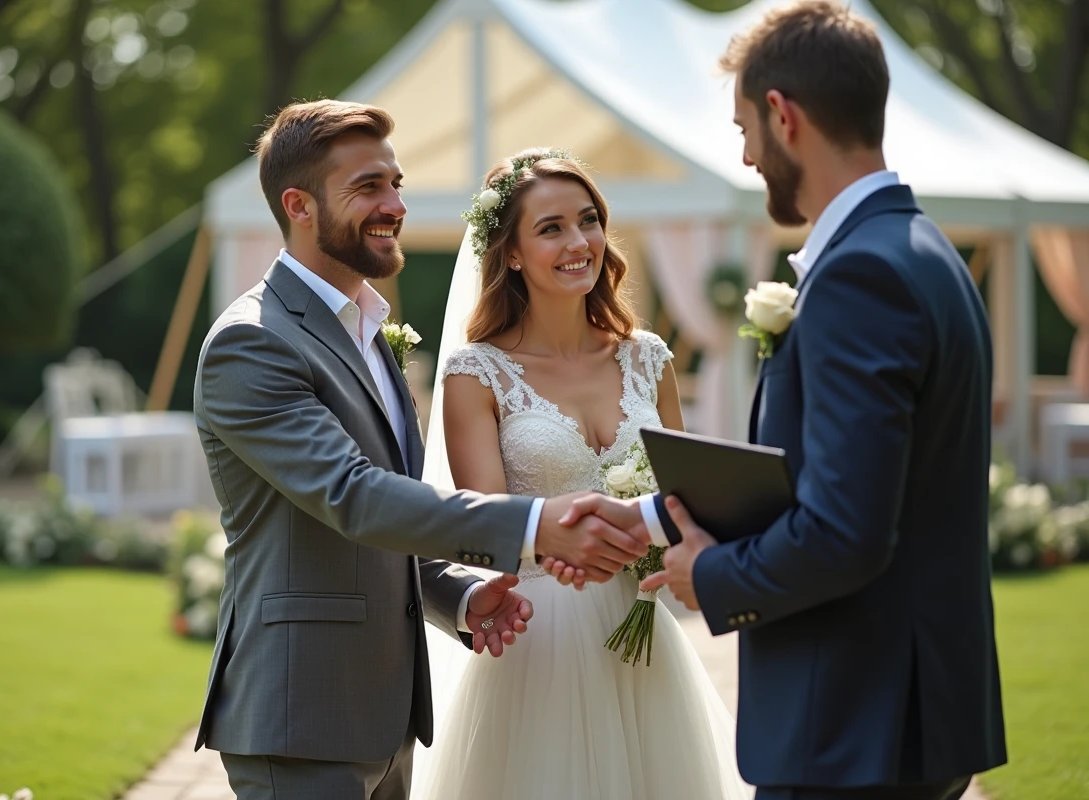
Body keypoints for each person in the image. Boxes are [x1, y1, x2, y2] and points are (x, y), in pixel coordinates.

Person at [573, 3, 1008, 799]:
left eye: (745, 128)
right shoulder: (923, 250)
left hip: (854, 724)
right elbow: (830, 475)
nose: (745, 156)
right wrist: (649, 519)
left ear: (784, 114)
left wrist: (714, 576)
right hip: (911, 716)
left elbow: (844, 531)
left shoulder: (859, 277)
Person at [191, 100, 650, 800]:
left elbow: (384, 523)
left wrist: (457, 597)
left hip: (384, 714)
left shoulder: (371, 333)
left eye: (396, 184)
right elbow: (351, 495)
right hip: (300, 716)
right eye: (368, 187)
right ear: (299, 205)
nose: (395, 205)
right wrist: (533, 525)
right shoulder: (252, 341)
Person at [411, 147, 751, 800]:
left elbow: (683, 503)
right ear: (509, 252)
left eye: (588, 220)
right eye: (551, 228)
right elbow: (483, 530)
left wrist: (650, 539)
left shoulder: (648, 359)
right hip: (536, 644)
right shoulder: (474, 375)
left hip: (642, 637)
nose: (579, 242)